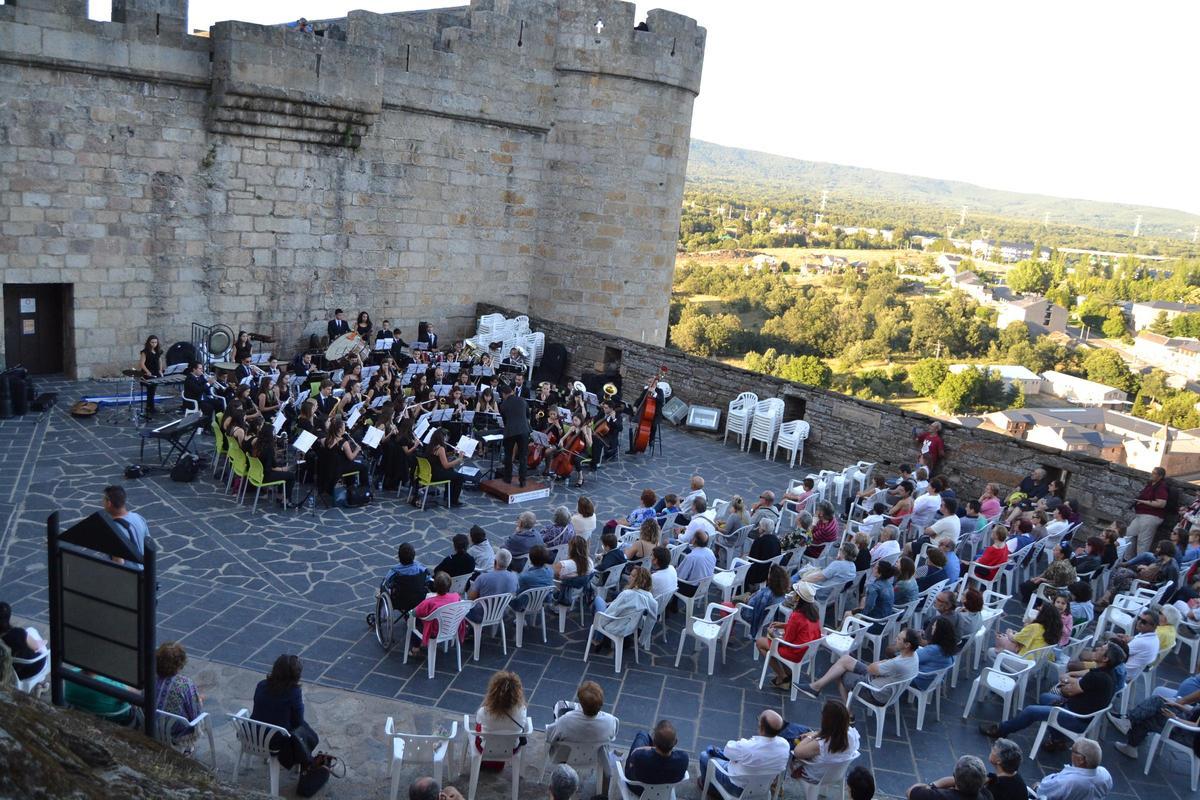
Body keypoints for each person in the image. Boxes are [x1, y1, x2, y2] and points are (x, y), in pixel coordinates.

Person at [980, 643, 1123, 744]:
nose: (1097, 648)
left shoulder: (1098, 677)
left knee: (1031, 711)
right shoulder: (1108, 674)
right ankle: (1057, 737)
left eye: (1102, 649)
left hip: (1075, 718)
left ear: (1105, 659)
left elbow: (1067, 691)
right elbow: (1081, 679)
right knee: (1045, 697)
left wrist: (1067, 680)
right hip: (1078, 710)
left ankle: (1002, 730)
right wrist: (1071, 679)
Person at [798, 627, 920, 701]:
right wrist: (883, 663)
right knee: (845, 659)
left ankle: (848, 714)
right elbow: (878, 668)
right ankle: (816, 686)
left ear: (907, 645)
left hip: (873, 691)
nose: (895, 640)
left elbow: (872, 668)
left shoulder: (898, 663)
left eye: (899, 639)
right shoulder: (914, 656)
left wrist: (881, 662)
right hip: (883, 682)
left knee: (840, 673)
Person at [1111, 671, 1200, 760]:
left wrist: (1174, 718)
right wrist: (1176, 705)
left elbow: (1196, 726)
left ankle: (1128, 727)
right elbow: (1193, 711)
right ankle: (1130, 734)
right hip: (1186, 722)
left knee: (1149, 715)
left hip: (1187, 734)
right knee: (1157, 701)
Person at [698, 709, 789, 795]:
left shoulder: (747, 747)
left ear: (761, 727)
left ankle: (710, 789)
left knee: (704, 756)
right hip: (763, 789)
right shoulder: (785, 745)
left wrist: (745, 744)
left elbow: (727, 752)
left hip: (735, 787)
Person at [252, 654, 319, 770]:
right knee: (308, 733)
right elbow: (298, 721)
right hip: (275, 741)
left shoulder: (261, 685)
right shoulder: (294, 693)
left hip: (253, 735)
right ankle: (303, 761)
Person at [758, 581, 823, 688]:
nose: (791, 594)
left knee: (760, 642)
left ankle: (783, 677)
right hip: (807, 651)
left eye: (794, 592)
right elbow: (803, 628)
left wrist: (772, 634)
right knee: (773, 640)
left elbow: (786, 643)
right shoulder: (813, 613)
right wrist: (784, 625)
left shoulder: (796, 616)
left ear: (798, 598)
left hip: (795, 652)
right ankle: (788, 673)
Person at [788, 699, 860, 785]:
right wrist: (818, 733)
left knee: (790, 740)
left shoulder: (822, 744)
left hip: (814, 775)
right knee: (802, 731)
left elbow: (797, 752)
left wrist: (811, 736)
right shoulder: (852, 734)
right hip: (836, 773)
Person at [546, 680, 619, 762]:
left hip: (567, 759)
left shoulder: (565, 720)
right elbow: (612, 737)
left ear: (580, 702)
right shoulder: (611, 721)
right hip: (594, 760)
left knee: (559, 706)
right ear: (601, 704)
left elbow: (549, 736)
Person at [154, 642, 204, 748]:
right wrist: (198, 701)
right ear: (180, 663)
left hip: (152, 725)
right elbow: (195, 714)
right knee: (196, 705)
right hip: (176, 732)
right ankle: (187, 749)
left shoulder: (150, 677)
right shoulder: (185, 684)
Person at [1033, 738, 1112, 800]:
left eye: (1073, 750)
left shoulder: (1069, 781)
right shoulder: (1105, 774)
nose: (1071, 753)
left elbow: (1043, 792)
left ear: (1081, 760)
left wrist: (1037, 787)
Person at [625, 719, 690, 794]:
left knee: (642, 734)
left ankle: (657, 741)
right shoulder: (683, 759)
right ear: (675, 742)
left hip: (639, 789)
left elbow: (633, 758)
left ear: (654, 741)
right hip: (665, 792)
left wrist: (651, 748)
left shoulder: (640, 757)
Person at [409, 571, 463, 656]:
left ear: (434, 586)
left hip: (434, 631)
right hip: (451, 626)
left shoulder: (429, 602)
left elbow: (415, 613)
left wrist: (410, 613)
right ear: (450, 585)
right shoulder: (456, 596)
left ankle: (416, 647)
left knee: (413, 621)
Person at [474, 671, 528, 752]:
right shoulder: (522, 710)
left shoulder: (483, 712)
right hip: (511, 749)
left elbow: (478, 722)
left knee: (479, 727)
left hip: (485, 749)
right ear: (518, 693)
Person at [466, 549, 519, 622]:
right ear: (508, 563)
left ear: (495, 562)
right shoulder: (514, 577)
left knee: (462, 608)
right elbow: (514, 594)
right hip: (501, 613)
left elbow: (471, 598)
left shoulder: (483, 578)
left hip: (480, 615)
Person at [102, 485, 148, 567]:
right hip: (143, 569)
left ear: (109, 503)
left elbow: (118, 562)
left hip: (130, 574)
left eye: (104, 500)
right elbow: (148, 544)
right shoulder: (138, 517)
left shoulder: (114, 530)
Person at [906, 755, 989, 800]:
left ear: (954, 776)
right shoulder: (987, 795)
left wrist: (933, 785)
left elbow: (910, 792)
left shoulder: (940, 796)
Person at [0, 602, 46, 682]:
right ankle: (40, 682)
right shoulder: (17, 633)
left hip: (4, 672)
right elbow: (36, 647)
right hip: (28, 670)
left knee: (29, 632)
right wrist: (44, 642)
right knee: (31, 631)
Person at [1129, 467, 1170, 554]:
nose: (1152, 474)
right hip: (1141, 514)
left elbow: (1161, 503)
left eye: (1154, 473)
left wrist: (1143, 502)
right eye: (1152, 472)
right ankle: (1127, 560)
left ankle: (1139, 565)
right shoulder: (1150, 484)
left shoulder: (1161, 486)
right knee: (1129, 535)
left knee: (1143, 542)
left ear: (1160, 476)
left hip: (1151, 516)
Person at [498, 383, 530, 486]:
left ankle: (507, 478)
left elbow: (505, 421)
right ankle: (523, 481)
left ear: (503, 394)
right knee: (523, 457)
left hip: (510, 432)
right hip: (524, 430)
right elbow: (527, 415)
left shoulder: (503, 405)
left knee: (508, 455)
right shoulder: (522, 400)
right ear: (511, 391)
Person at [913, 616, 957, 689]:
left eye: (934, 626)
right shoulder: (947, 646)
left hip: (921, 681)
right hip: (935, 679)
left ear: (939, 632)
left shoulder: (933, 650)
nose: (932, 627)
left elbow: (911, 657)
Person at [424, 428, 465, 506]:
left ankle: (448, 495)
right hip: (436, 475)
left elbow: (440, 457)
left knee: (451, 470)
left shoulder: (431, 445)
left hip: (429, 473)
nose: (447, 439)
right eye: (446, 437)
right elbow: (445, 465)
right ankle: (454, 501)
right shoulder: (440, 448)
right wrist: (459, 459)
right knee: (460, 477)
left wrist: (453, 452)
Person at [675, 531, 716, 595]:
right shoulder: (710, 552)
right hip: (705, 586)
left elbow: (680, 576)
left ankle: (672, 604)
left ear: (694, 540)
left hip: (692, 589)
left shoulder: (691, 557)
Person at [745, 517, 782, 586]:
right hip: (771, 569)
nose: (758, 528)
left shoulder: (759, 541)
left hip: (759, 572)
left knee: (738, 564)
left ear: (762, 529)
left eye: (760, 526)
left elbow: (752, 558)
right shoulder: (776, 540)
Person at [183, 361, 219, 425]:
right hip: (194, 401)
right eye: (200, 368)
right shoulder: (189, 379)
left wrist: (211, 383)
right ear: (194, 369)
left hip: (202, 399)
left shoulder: (201, 377)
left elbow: (206, 387)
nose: (202, 370)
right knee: (209, 407)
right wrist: (208, 383)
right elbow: (198, 390)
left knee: (219, 403)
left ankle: (217, 422)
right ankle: (206, 427)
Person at [137, 334, 164, 416]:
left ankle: (150, 407)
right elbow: (142, 364)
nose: (154, 344)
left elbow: (160, 361)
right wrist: (147, 371)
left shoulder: (158, 351)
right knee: (150, 391)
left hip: (155, 372)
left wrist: (160, 370)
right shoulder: (145, 352)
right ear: (149, 343)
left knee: (153, 391)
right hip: (147, 373)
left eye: (155, 342)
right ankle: (149, 408)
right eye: (152, 342)